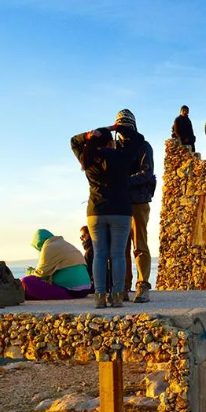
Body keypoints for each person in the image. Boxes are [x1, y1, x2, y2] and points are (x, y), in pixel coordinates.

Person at [71, 127, 133, 308]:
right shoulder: (120, 157)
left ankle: (99, 296)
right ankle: (117, 296)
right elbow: (137, 140)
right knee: (118, 255)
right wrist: (117, 128)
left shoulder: (87, 157)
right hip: (120, 211)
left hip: (96, 212)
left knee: (99, 254)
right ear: (110, 142)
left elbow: (74, 141)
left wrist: (87, 135)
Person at [114, 109, 155, 303]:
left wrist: (123, 181)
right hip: (120, 202)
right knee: (121, 247)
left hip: (138, 201)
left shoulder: (144, 146)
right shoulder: (114, 147)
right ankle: (122, 286)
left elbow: (147, 172)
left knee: (139, 244)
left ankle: (142, 284)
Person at [21, 229, 91, 300]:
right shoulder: (66, 244)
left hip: (71, 291)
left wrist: (30, 272)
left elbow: (40, 274)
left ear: (38, 243)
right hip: (86, 289)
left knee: (26, 281)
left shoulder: (48, 247)